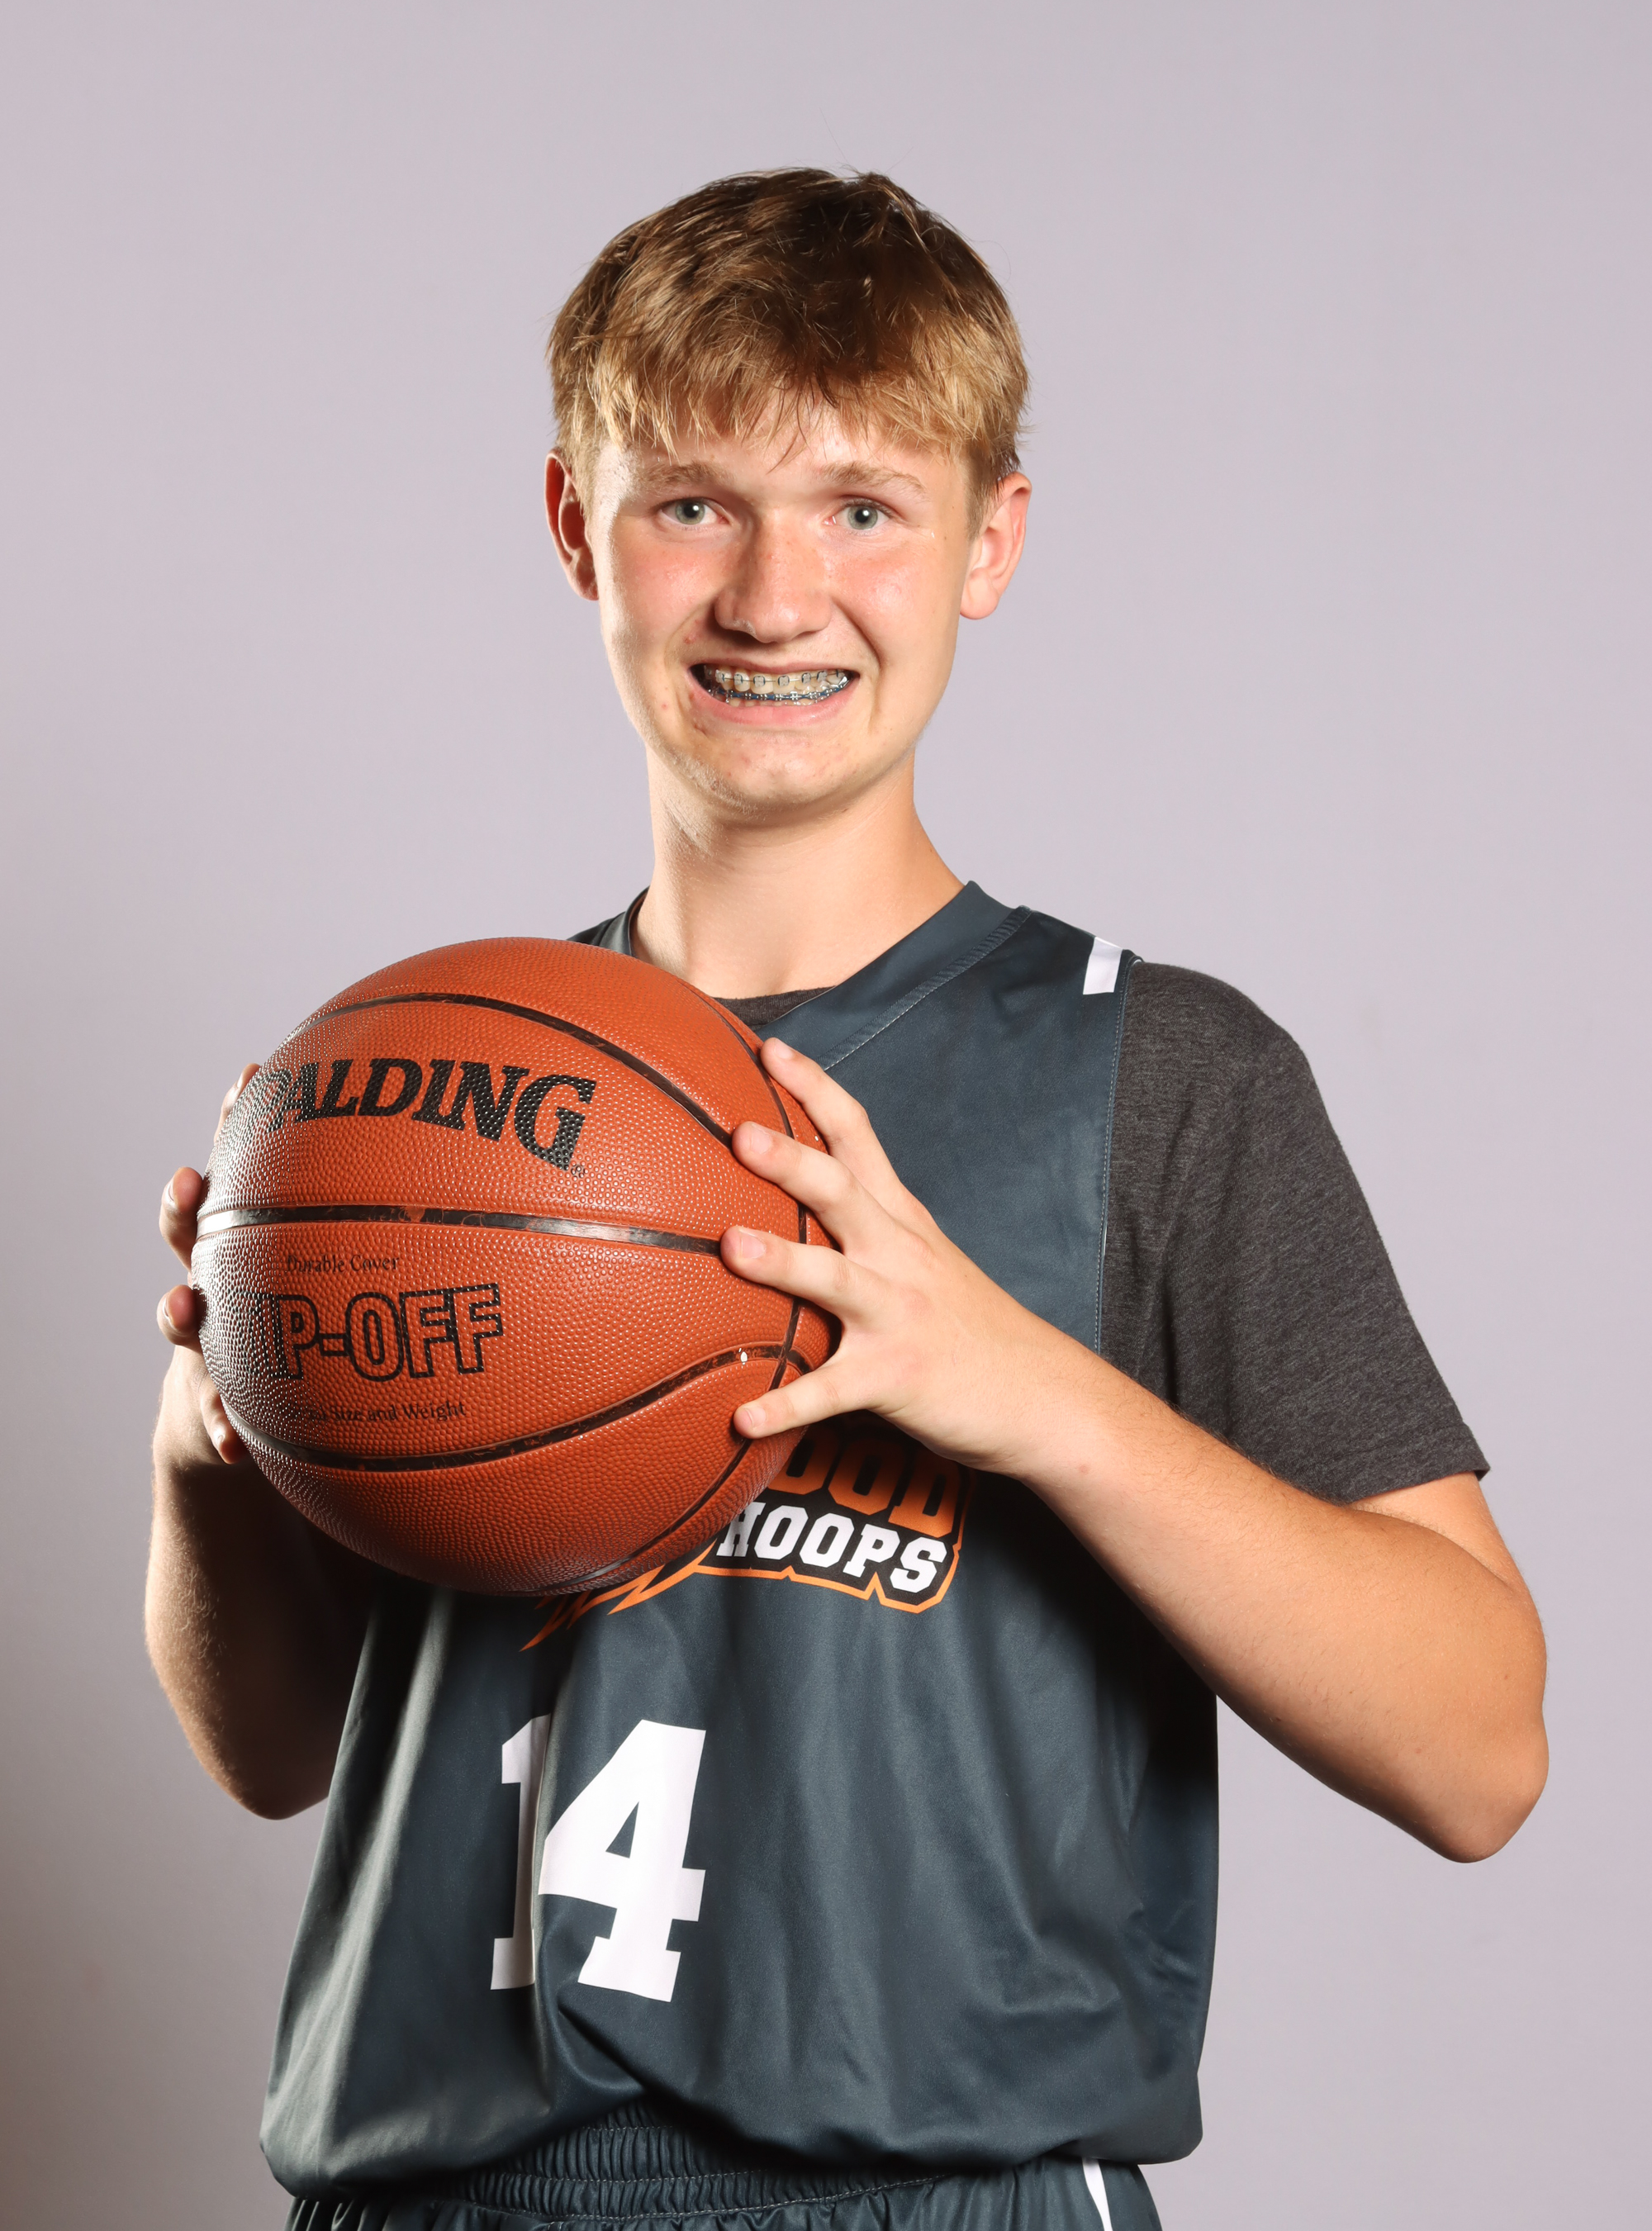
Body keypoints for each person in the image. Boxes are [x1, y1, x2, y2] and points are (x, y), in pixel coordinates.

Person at [149, 169, 1547, 2231]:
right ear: (577, 529)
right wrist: (214, 1441)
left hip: (937, 2187)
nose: (773, 593)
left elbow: (1478, 1749)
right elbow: (271, 1750)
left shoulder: (1155, 1073)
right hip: (433, 2186)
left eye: (864, 507)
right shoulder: (401, 1117)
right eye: (692, 503)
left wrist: (1031, 1388)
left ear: (990, 540)